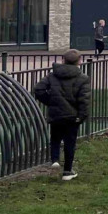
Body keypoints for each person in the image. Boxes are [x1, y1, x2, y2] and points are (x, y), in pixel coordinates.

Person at [33, 49, 90, 181]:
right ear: (79, 62)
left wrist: (51, 101)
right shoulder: (83, 78)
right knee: (70, 142)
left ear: (63, 60)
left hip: (56, 112)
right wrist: (81, 116)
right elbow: (84, 100)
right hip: (72, 116)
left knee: (55, 137)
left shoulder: (53, 75)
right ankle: (67, 171)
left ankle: (55, 159)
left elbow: (39, 89)